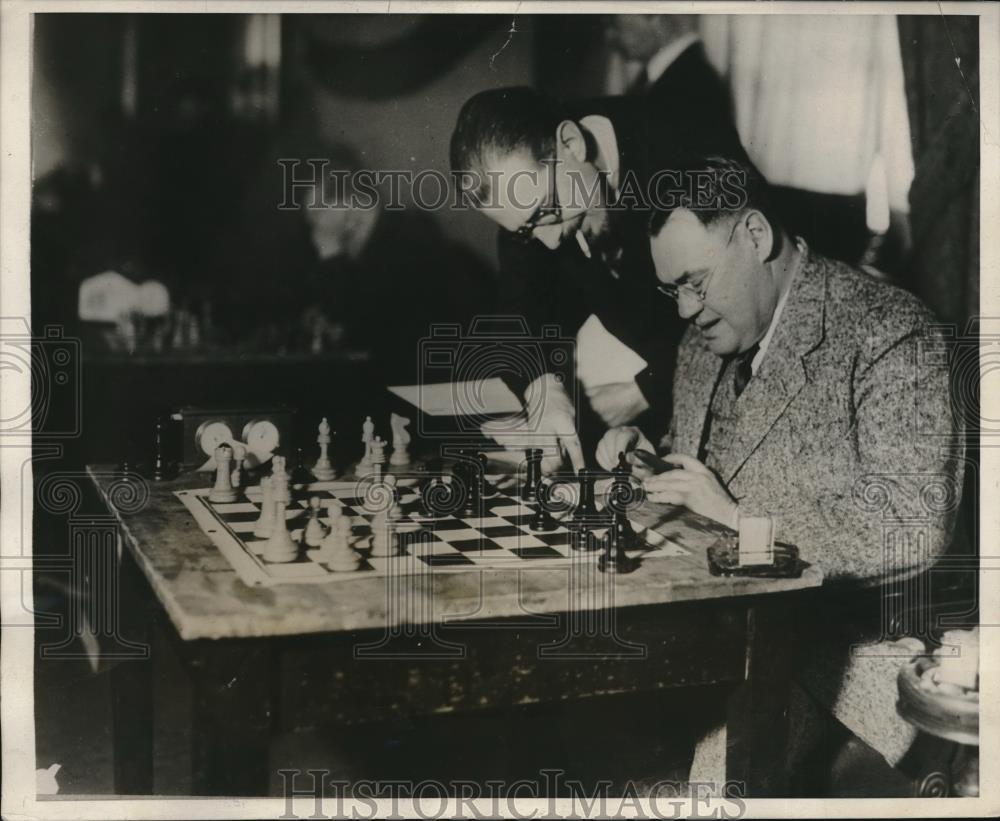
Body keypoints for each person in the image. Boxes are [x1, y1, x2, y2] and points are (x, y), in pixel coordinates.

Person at [596, 156, 964, 787]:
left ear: (757, 235)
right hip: (717, 633)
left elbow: (913, 524)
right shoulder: (703, 345)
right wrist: (646, 456)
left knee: (713, 789)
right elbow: (703, 473)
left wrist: (741, 521)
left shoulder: (890, 330)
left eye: (696, 281)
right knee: (587, 735)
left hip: (842, 647)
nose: (685, 309)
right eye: (672, 290)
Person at [449, 87, 746, 471]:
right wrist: (544, 386)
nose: (549, 241)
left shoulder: (687, 145)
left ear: (570, 143)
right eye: (525, 231)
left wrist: (644, 390)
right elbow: (518, 315)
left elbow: (739, 306)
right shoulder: (526, 200)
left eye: (549, 211)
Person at [606, 13, 736, 149]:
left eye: (615, 24)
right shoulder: (659, 75)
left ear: (655, 18)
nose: (609, 36)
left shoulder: (693, 83)